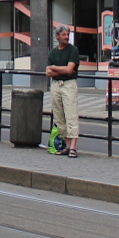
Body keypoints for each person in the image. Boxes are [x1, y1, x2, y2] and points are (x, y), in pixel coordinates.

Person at [45, 25, 80, 158]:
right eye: (64, 35)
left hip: (69, 84)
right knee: (59, 116)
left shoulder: (73, 50)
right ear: (57, 36)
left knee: (71, 114)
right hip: (56, 85)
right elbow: (48, 72)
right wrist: (60, 69)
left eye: (67, 34)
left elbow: (69, 70)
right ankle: (67, 145)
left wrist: (54, 67)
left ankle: (73, 147)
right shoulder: (53, 52)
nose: (66, 37)